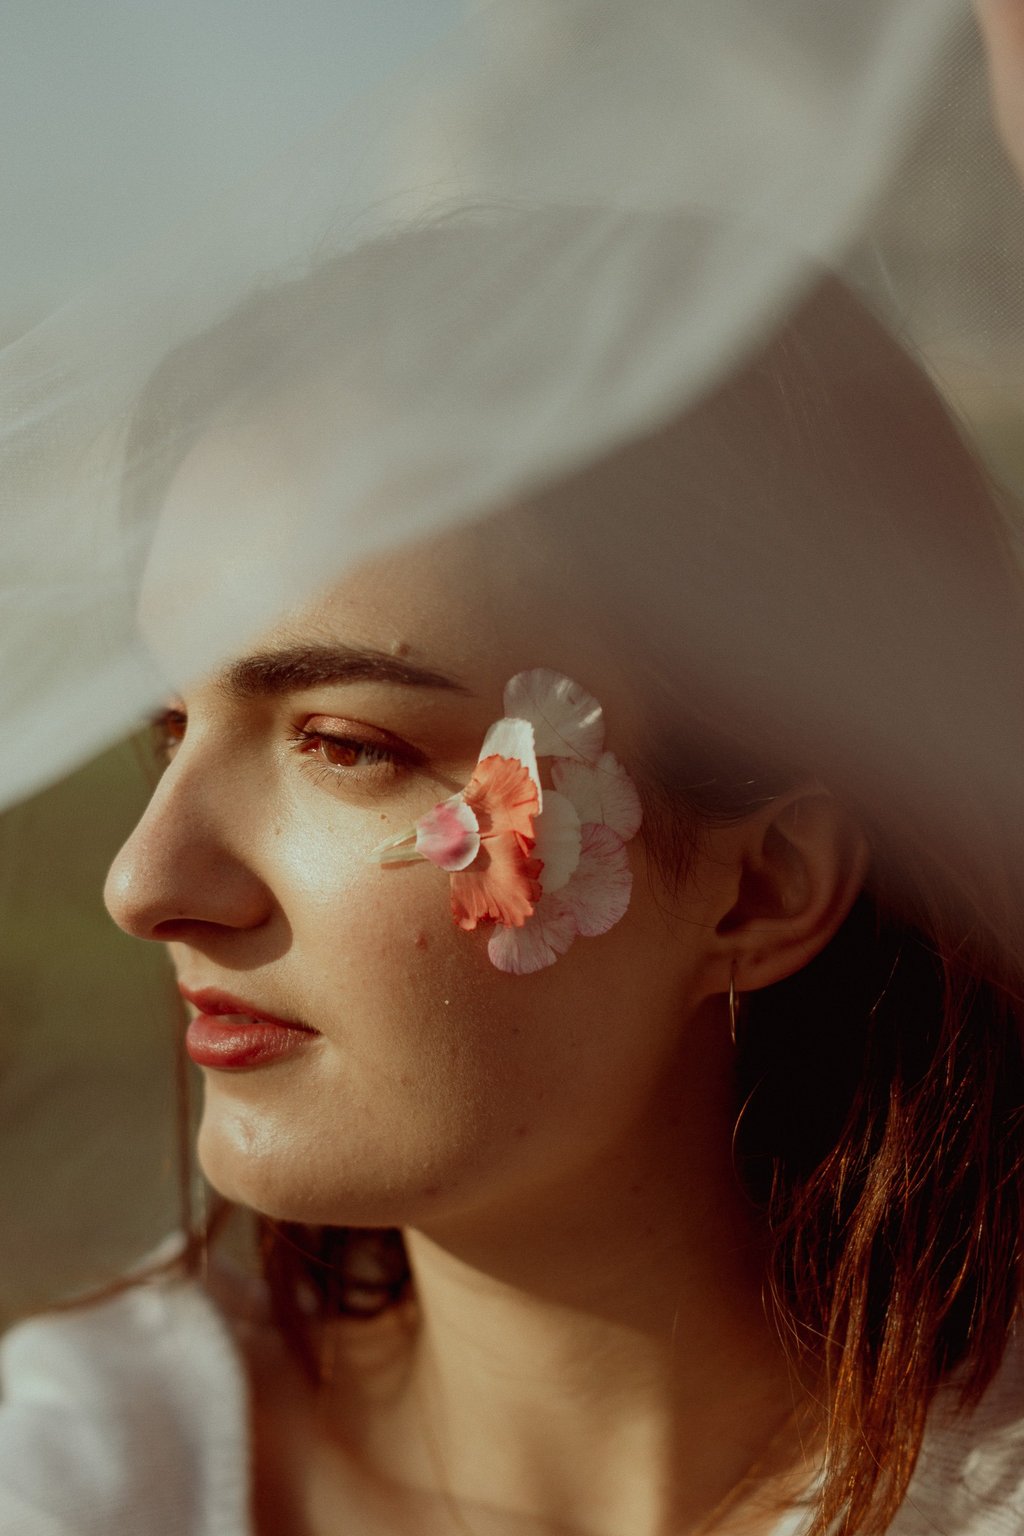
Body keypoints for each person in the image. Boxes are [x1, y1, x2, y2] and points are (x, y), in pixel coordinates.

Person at [2, 7, 1024, 1536]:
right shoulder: (83, 1480)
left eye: (344, 743)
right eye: (167, 729)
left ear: (768, 885)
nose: (147, 882)